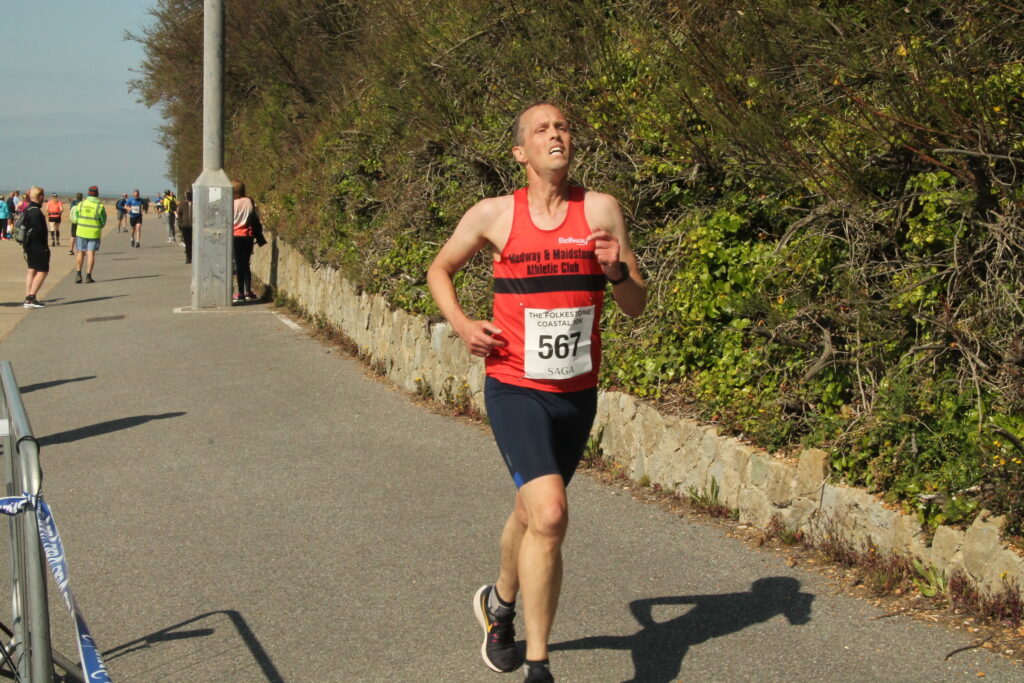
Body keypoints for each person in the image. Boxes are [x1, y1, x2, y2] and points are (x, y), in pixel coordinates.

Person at [427, 103, 646, 682]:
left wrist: (617, 272)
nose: (557, 135)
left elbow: (637, 304)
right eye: (542, 130)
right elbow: (439, 269)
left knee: (531, 512)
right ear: (520, 152)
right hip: (514, 386)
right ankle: (538, 664)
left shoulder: (600, 210)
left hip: (577, 392)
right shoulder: (494, 215)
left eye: (564, 127)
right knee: (551, 513)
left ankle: (498, 606)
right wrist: (463, 324)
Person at [231, 180, 260, 303]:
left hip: (235, 235)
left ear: (235, 192)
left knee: (238, 264)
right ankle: (249, 291)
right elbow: (255, 216)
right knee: (246, 263)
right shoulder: (249, 201)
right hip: (248, 236)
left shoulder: (232, 203)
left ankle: (241, 293)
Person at [20, 187, 49, 308]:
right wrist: (44, 248)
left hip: (28, 246)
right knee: (43, 271)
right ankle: (31, 297)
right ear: (40, 197)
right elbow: (38, 232)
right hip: (37, 246)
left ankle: (28, 297)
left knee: (31, 270)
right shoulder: (36, 212)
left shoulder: (28, 209)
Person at [74, 185, 106, 283]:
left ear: (88, 193)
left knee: (80, 252)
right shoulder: (99, 206)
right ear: (97, 194)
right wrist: (99, 226)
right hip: (94, 233)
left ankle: (78, 274)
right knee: (91, 254)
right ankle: (88, 276)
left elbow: (76, 217)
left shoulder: (81, 204)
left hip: (81, 231)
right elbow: (103, 220)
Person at [177, 189, 193, 264]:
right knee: (187, 242)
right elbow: (179, 214)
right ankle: (188, 257)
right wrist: (180, 224)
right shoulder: (183, 204)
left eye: (190, 194)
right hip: (185, 226)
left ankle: (193, 256)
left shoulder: (196, 203)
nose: (189, 195)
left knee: (194, 242)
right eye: (188, 194)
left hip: (194, 226)